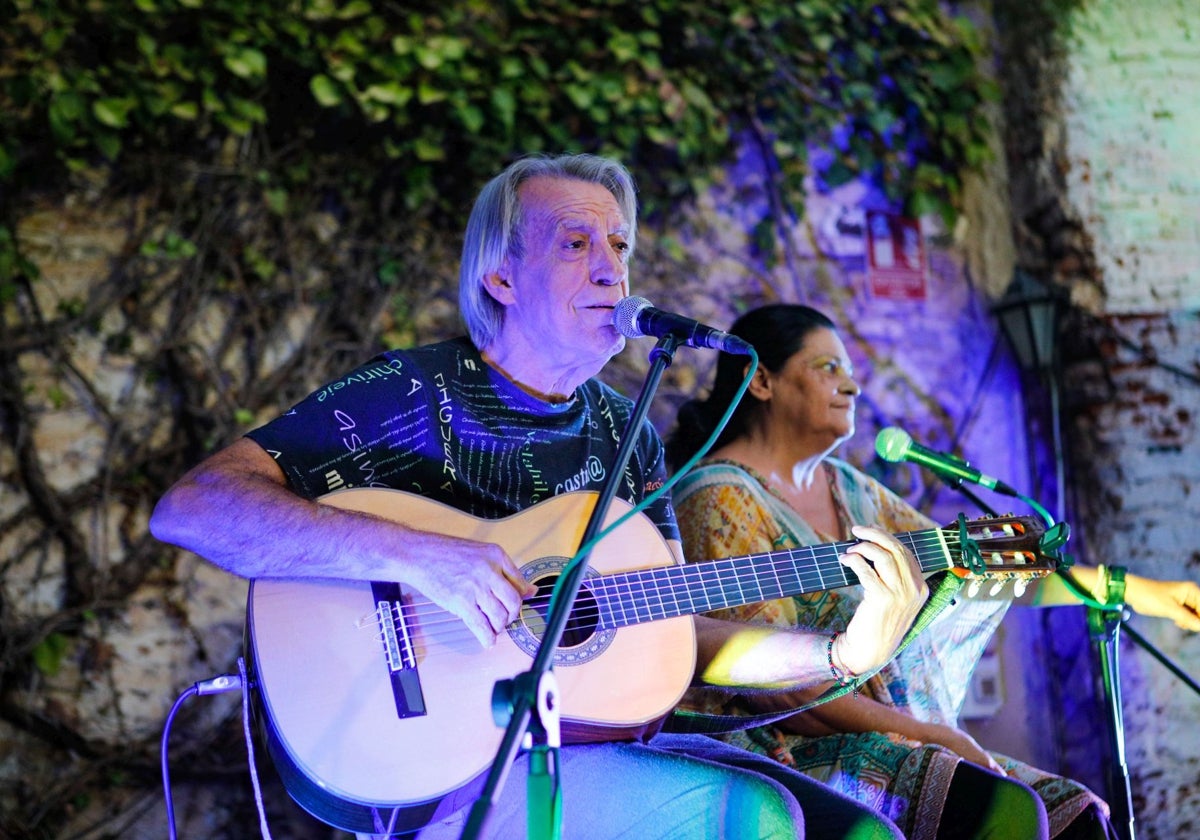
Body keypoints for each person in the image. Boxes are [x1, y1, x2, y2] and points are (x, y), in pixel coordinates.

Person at [150, 155, 937, 839]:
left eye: (620, 245)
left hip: (598, 748)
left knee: (859, 829)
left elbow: (677, 634)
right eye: (575, 243)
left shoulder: (625, 431)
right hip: (442, 770)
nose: (612, 269)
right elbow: (193, 507)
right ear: (500, 275)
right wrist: (422, 558)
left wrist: (840, 654)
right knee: (752, 819)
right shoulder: (413, 392)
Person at [666, 302, 1200, 840]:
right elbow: (779, 693)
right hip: (788, 754)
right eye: (827, 368)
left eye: (850, 370)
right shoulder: (717, 498)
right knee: (997, 807)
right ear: (760, 381)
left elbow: (977, 573)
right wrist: (928, 735)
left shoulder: (849, 486)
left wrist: (1132, 589)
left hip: (903, 738)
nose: (851, 385)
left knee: (1080, 814)